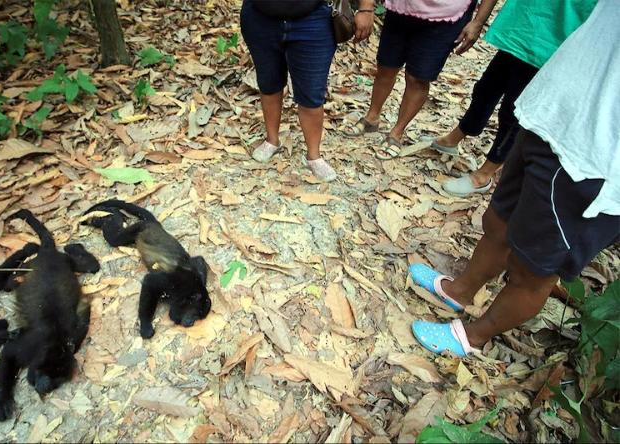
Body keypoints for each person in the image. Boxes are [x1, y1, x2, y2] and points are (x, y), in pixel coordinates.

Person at [407, 0, 620, 357]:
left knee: (533, 270)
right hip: (549, 114)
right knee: (498, 221)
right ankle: (460, 291)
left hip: (595, 160)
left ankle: (473, 337)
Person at [422, 0, 598, 197]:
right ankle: (451, 140)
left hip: (552, 44)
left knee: (512, 114)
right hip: (522, 28)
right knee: (485, 91)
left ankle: (484, 175)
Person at [342, 0, 499, 160]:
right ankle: (372, 117)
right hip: (401, 8)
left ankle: (397, 132)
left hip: (447, 15)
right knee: (386, 66)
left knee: (418, 78)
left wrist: (478, 22)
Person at [240, 0, 374, 182]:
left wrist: (366, 8)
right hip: (261, 16)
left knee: (311, 92)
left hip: (314, 17)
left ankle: (313, 156)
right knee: (269, 83)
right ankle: (272, 141)